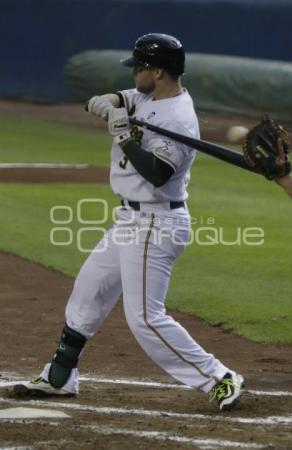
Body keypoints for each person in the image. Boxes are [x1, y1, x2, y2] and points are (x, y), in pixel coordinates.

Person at [14, 33, 244, 410]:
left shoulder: (180, 119)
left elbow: (158, 174)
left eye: (139, 66)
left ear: (158, 70)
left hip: (157, 222)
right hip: (129, 219)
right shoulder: (149, 95)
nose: (134, 72)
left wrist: (124, 137)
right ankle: (60, 376)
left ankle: (219, 377)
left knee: (145, 319)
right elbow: (122, 98)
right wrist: (108, 103)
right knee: (88, 291)